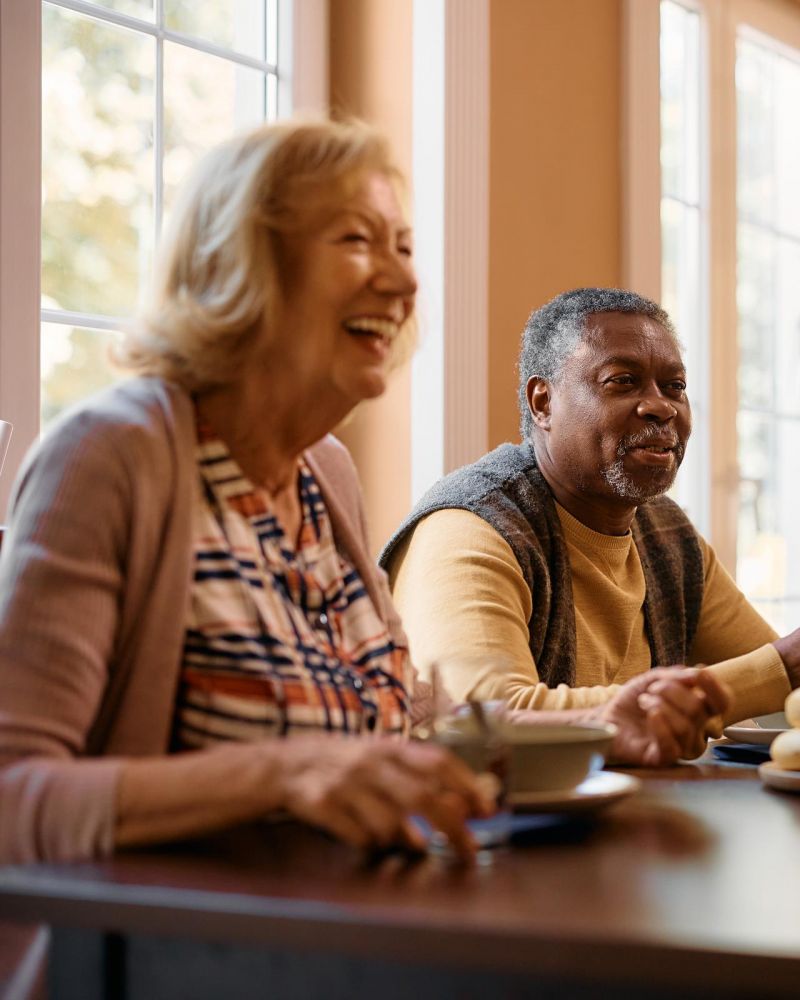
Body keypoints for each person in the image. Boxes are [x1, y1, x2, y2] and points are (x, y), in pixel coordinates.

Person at [0, 135, 724, 866]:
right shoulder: (110, 455)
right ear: (240, 264)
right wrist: (281, 775)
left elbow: (410, 721)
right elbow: (13, 795)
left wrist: (602, 721)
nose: (402, 282)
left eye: (404, 248)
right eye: (357, 240)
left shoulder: (325, 471)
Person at [382, 287, 792, 722]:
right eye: (622, 381)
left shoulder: (667, 534)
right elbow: (486, 718)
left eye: (675, 387)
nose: (661, 406)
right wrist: (781, 668)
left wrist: (783, 671)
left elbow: (780, 698)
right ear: (543, 403)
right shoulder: (470, 527)